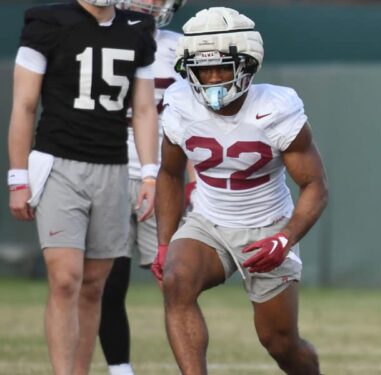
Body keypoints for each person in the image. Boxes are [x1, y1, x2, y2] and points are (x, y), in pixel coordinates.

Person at [152, 7, 328, 375]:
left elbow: (314, 187)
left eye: (222, 67)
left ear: (247, 65)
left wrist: (284, 239)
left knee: (280, 343)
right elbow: (169, 175)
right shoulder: (179, 103)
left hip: (267, 226)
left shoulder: (276, 109)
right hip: (208, 221)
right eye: (203, 69)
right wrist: (166, 242)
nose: (213, 78)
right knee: (176, 281)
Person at [7, 0, 158, 374]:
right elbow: (24, 105)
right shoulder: (47, 21)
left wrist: (151, 172)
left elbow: (143, 109)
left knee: (93, 285)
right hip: (59, 163)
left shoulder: (137, 28)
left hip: (113, 167)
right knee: (65, 279)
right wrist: (17, 177)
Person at [97, 1, 186, 374]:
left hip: (163, 178)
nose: (150, 2)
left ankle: (192, 366)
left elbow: (196, 121)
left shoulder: (181, 48)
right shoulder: (95, 41)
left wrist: (192, 182)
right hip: (109, 173)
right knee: (108, 285)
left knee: (178, 285)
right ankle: (120, 369)